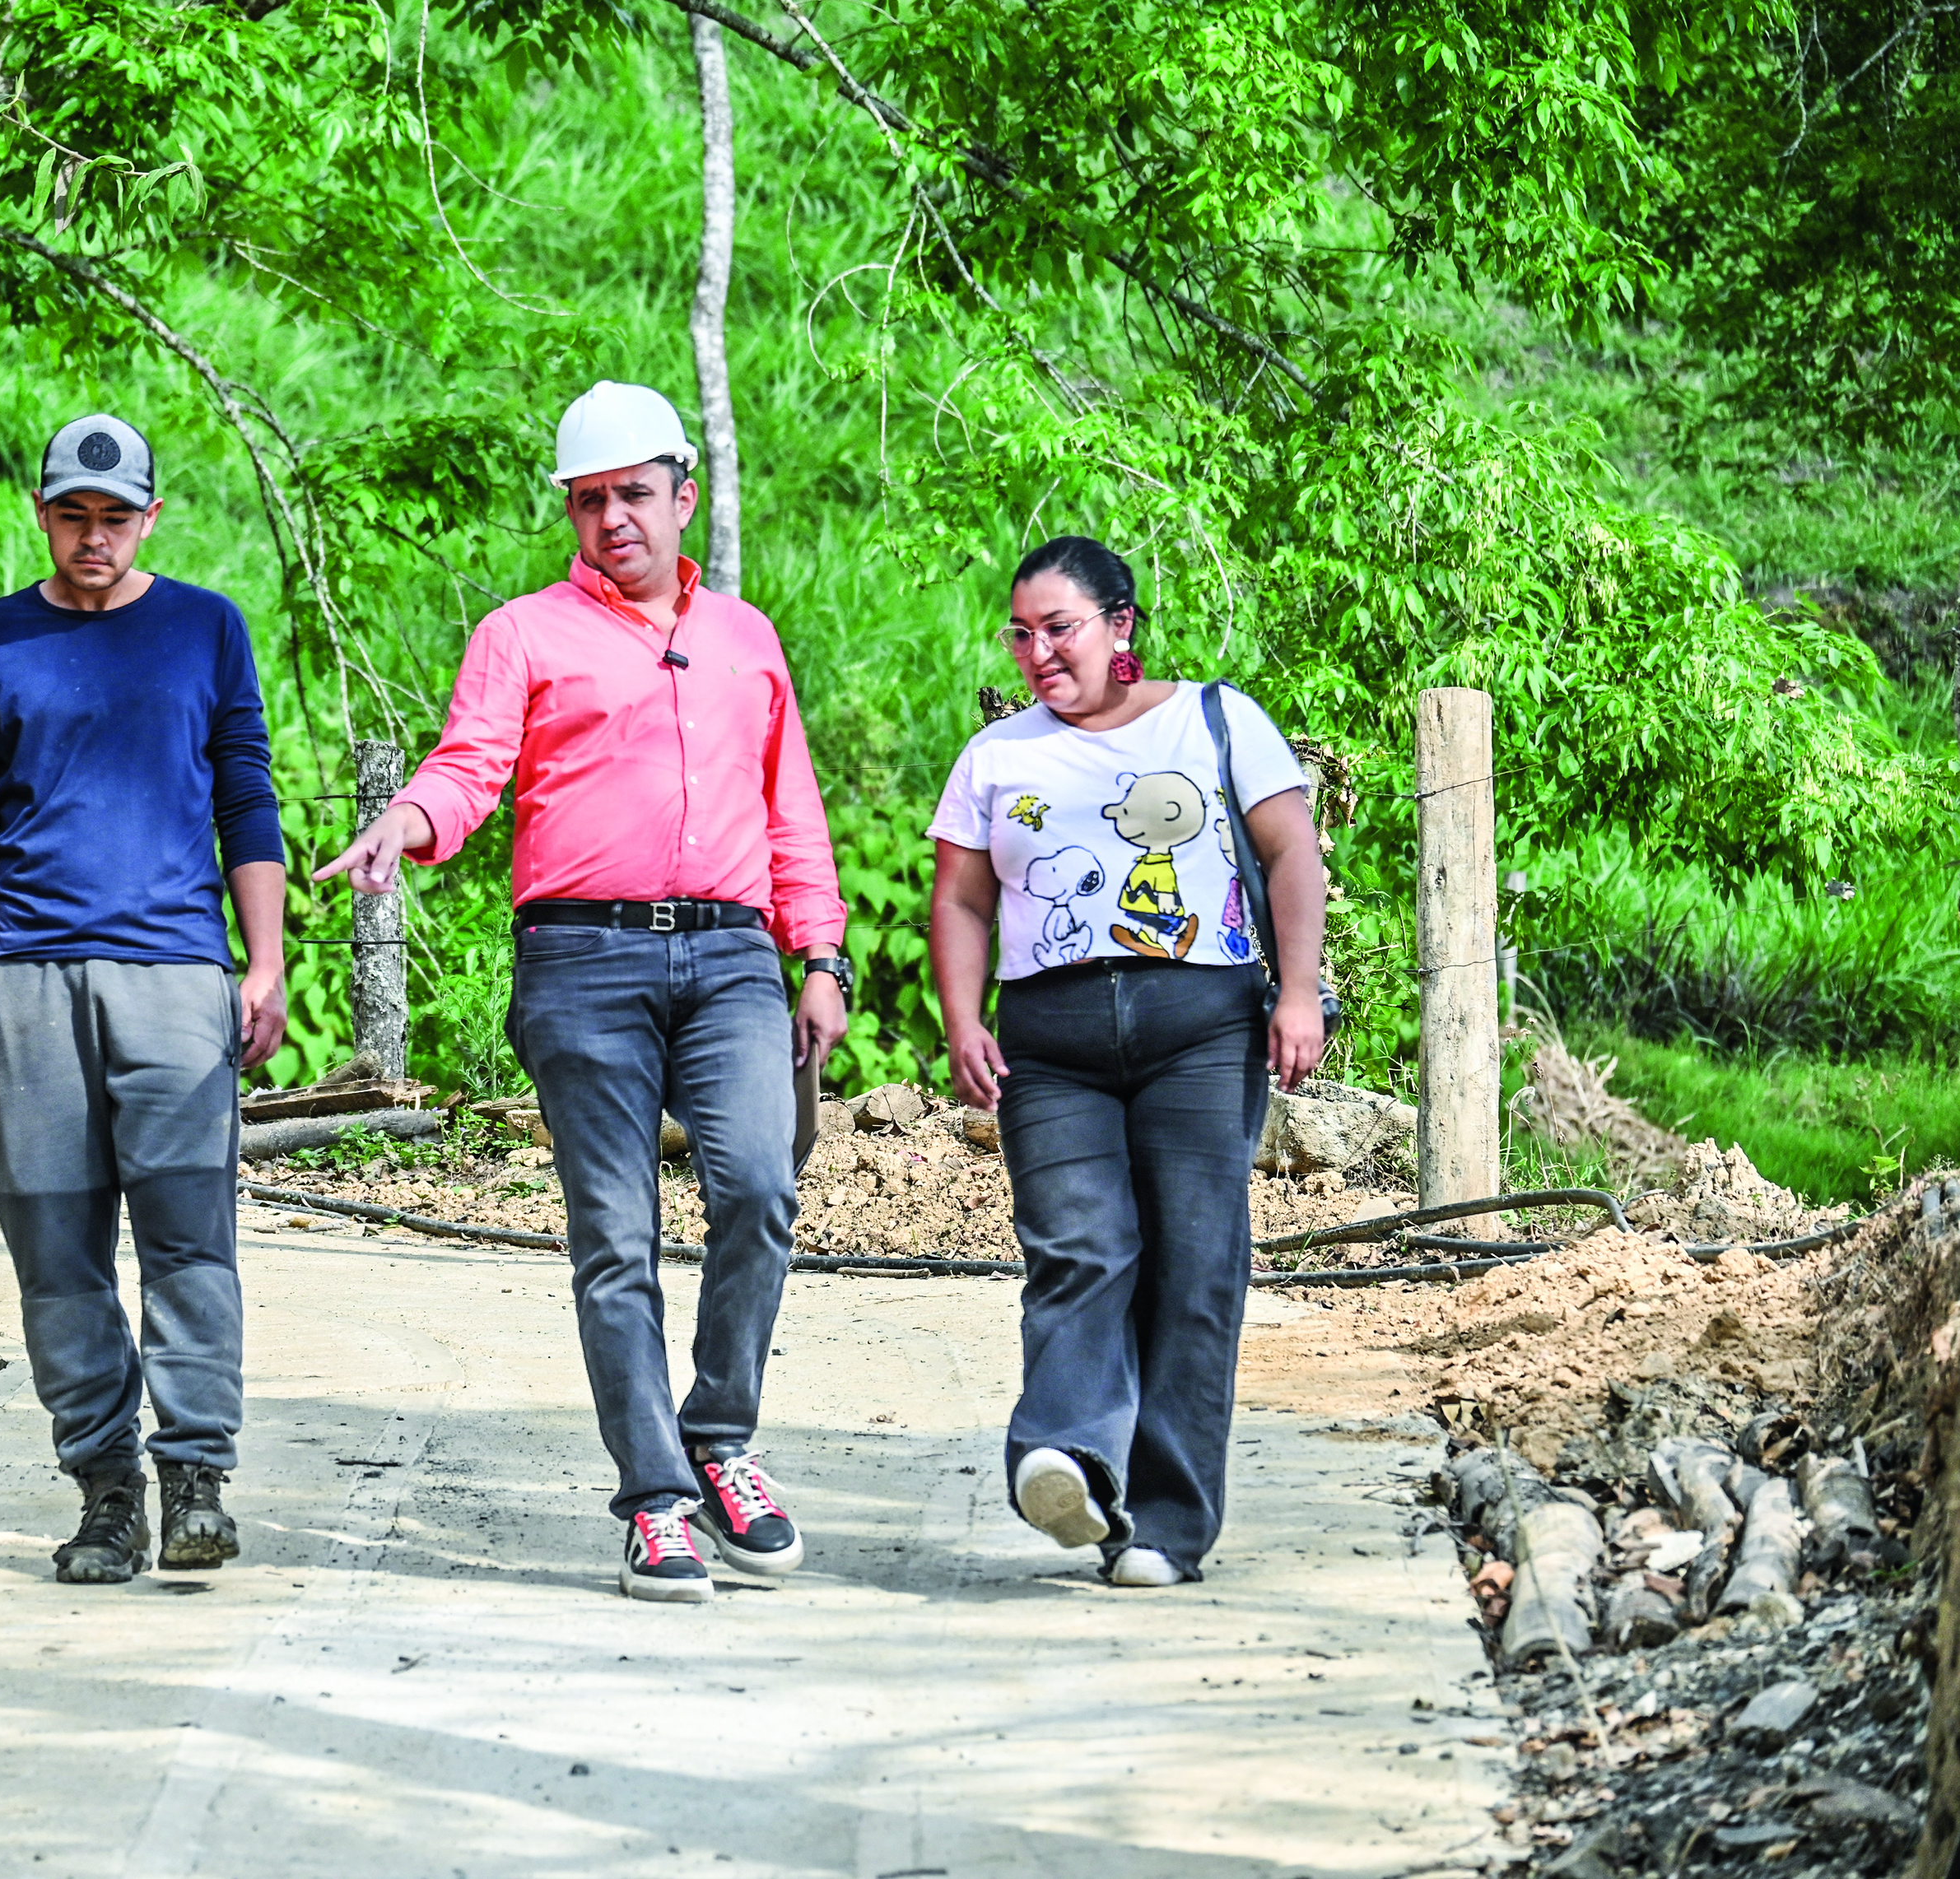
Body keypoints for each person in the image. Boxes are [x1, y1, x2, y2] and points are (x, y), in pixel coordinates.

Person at [314, 382, 850, 1603]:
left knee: (760, 1190)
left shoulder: (746, 638)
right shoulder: (522, 633)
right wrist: (409, 818)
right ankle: (655, 1500)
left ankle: (722, 1445)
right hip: (582, 959)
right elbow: (469, 765)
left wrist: (816, 954)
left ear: (682, 497)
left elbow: (791, 812)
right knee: (615, 1236)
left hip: (729, 959)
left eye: (632, 495)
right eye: (590, 498)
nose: (612, 518)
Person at [0, 413, 291, 1585]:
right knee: (58, 1252)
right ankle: (107, 1491)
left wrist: (265, 958)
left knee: (190, 1242)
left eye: (114, 518)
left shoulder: (205, 630)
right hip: (29, 977)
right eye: (72, 515)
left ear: (149, 516)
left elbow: (247, 796)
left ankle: (195, 1478)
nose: (93, 537)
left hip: (178, 974)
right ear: (42, 511)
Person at [924, 535, 1328, 1587]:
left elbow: (1289, 852)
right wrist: (962, 1020)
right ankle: (1066, 1456)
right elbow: (963, 899)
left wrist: (1294, 993)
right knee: (1077, 1246)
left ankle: (1164, 1525)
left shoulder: (1215, 719)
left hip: (1199, 1021)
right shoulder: (996, 756)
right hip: (1049, 1040)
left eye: (1058, 628)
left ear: (1120, 626)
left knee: (1194, 1265)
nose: (1037, 651)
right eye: (1021, 633)